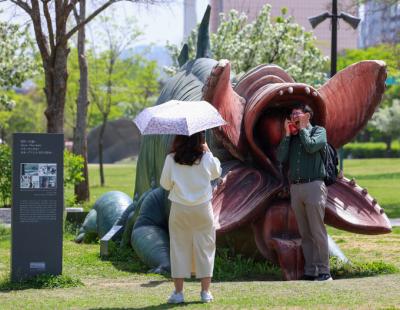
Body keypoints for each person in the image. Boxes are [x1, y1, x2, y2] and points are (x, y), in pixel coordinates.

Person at [160, 131, 222, 303]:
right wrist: (209, 152)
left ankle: (178, 293)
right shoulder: (206, 158)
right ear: (200, 139)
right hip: (203, 208)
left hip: (179, 208)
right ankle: (205, 293)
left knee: (178, 247)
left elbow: (165, 184)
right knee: (205, 247)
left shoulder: (171, 158)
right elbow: (217, 172)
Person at [277, 103, 332, 281]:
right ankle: (311, 270)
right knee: (305, 233)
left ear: (308, 116)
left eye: (297, 114)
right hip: (297, 188)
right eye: (292, 114)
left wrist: (302, 129)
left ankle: (324, 271)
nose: (293, 117)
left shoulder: (318, 131)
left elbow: (310, 146)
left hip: (314, 186)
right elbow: (280, 157)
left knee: (317, 231)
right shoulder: (291, 137)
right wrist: (287, 135)